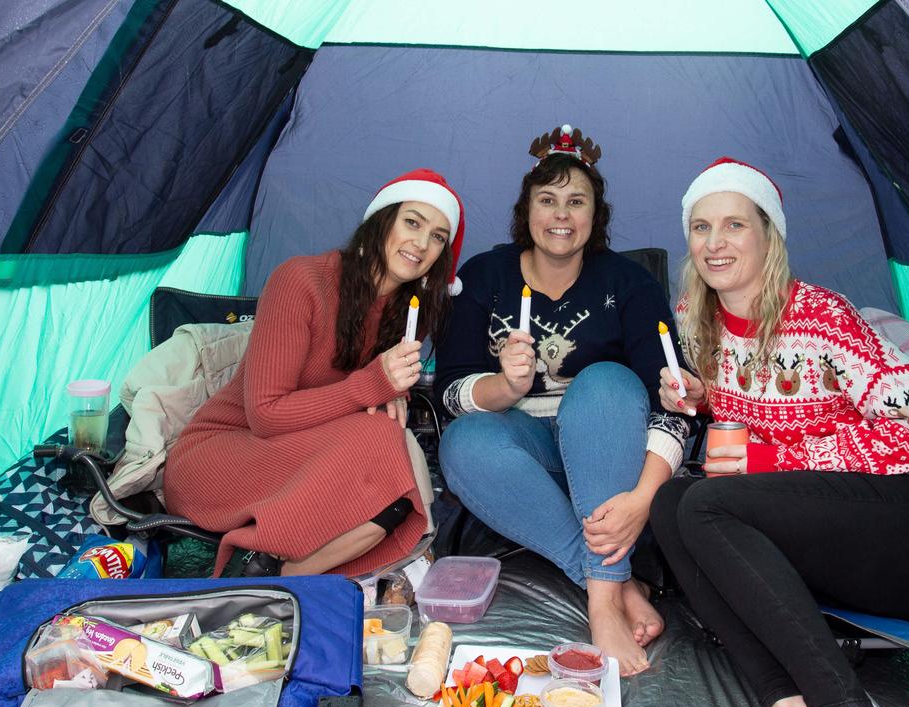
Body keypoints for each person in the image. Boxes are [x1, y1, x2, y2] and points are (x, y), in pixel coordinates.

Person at [649, 158, 909, 707]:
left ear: (770, 236)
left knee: (707, 504)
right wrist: (702, 397)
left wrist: (769, 460)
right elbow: (759, 403)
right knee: (671, 503)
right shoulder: (693, 317)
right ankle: (783, 697)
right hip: (837, 533)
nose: (715, 242)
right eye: (701, 226)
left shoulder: (820, 316)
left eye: (735, 224)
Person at [435, 126, 689, 676]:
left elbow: (672, 399)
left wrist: (645, 495)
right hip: (522, 446)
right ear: (525, 210)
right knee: (463, 443)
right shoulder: (483, 276)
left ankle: (601, 604)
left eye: (577, 201)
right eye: (547, 200)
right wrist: (505, 386)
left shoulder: (631, 284)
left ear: (596, 215)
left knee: (606, 381)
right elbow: (451, 391)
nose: (561, 215)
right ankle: (615, 586)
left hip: (604, 448)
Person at [165, 168, 466, 578]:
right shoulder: (301, 281)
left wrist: (393, 391)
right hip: (221, 457)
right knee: (379, 441)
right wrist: (372, 385)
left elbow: (354, 397)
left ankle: (280, 576)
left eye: (437, 237)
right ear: (382, 221)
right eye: (412, 222)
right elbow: (266, 415)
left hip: (301, 461)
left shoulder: (405, 315)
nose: (421, 243)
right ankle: (262, 561)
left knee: (395, 497)